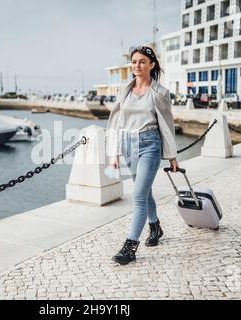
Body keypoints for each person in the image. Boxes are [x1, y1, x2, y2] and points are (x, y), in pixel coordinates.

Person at [106, 45, 179, 265]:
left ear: (152, 65)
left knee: (137, 196)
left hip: (149, 145)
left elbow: (167, 125)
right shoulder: (124, 90)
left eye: (142, 62)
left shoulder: (160, 93)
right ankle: (155, 227)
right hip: (128, 145)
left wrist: (172, 156)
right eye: (134, 61)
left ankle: (130, 247)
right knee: (144, 193)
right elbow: (116, 123)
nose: (137, 65)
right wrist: (114, 153)